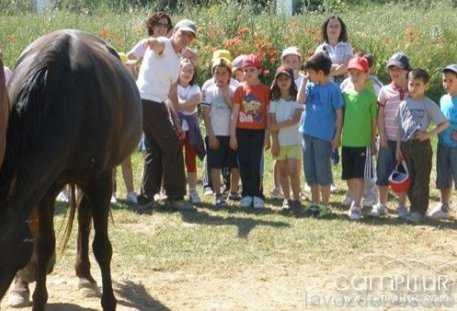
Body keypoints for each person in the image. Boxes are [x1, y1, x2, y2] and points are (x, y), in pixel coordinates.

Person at [136, 19, 198, 212]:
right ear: (174, 32)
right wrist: (150, 42)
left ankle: (146, 199)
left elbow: (172, 94)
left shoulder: (177, 59)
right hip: (148, 101)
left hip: (154, 104)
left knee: (155, 149)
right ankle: (175, 197)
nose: (186, 38)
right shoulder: (164, 44)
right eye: (183, 33)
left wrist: (177, 121)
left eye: (190, 36)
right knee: (172, 146)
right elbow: (158, 45)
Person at [395, 69, 448, 223]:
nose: (413, 88)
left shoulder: (428, 104)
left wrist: (428, 135)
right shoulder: (404, 104)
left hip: (421, 147)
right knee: (409, 179)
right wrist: (398, 148)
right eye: (411, 84)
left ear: (426, 85)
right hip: (406, 145)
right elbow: (399, 127)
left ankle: (419, 211)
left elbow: (444, 123)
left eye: (418, 84)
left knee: (421, 179)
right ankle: (414, 208)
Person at [297, 52, 343, 217]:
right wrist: (303, 82)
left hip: (323, 137)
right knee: (310, 170)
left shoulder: (333, 90)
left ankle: (325, 204)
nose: (307, 75)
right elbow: (300, 100)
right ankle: (315, 203)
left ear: (321, 73)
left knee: (323, 170)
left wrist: (337, 135)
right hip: (306, 134)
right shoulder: (310, 86)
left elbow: (339, 113)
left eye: (310, 72)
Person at [371, 52, 410, 218]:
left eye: (399, 69)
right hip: (387, 139)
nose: (395, 72)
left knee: (402, 173)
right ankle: (381, 204)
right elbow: (380, 115)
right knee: (383, 172)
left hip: (405, 141)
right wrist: (382, 136)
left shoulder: (412, 90)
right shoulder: (385, 91)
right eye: (392, 69)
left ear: (407, 71)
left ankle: (402, 206)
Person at [340, 51, 381, 208]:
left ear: (366, 73)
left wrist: (372, 141)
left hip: (363, 142)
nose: (354, 75)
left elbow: (374, 120)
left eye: (358, 72)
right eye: (352, 72)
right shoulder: (344, 93)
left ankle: (361, 202)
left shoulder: (371, 94)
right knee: (349, 174)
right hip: (347, 141)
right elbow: (340, 116)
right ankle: (354, 195)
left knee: (361, 174)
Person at [230, 54, 270, 209]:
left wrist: (267, 135)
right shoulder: (240, 90)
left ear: (259, 71)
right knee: (244, 162)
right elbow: (235, 113)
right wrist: (233, 135)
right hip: (242, 131)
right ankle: (246, 193)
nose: (248, 73)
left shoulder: (265, 90)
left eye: (251, 70)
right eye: (245, 70)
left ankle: (258, 194)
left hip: (258, 132)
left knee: (256, 162)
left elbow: (267, 114)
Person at [201, 49, 241, 197]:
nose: (220, 76)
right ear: (213, 73)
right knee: (215, 166)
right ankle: (217, 194)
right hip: (216, 134)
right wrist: (210, 135)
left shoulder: (235, 89)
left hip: (231, 134)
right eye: (217, 73)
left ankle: (234, 192)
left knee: (234, 166)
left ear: (229, 74)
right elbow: (205, 115)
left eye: (224, 73)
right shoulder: (209, 90)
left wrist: (227, 99)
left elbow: (236, 111)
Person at [270, 46, 304, 200]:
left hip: (295, 141)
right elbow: (271, 122)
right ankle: (286, 198)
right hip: (280, 142)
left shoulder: (297, 98)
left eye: (286, 79)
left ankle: (296, 197)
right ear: (276, 81)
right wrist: (274, 141)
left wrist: (278, 126)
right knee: (282, 172)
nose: (283, 82)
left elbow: (296, 119)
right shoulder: (274, 100)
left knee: (293, 171)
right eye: (280, 79)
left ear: (292, 81)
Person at [429, 64, 457, 219]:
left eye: (450, 80)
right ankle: (444, 205)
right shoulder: (443, 99)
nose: (446, 84)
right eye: (444, 80)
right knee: (443, 176)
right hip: (443, 145)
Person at [177, 58, 205, 205]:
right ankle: (166, 189)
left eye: (191, 70)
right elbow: (180, 104)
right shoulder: (173, 87)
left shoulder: (195, 88)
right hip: (177, 127)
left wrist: (182, 105)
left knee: (191, 159)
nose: (188, 73)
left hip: (191, 129)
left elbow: (193, 101)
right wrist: (187, 104)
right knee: (174, 158)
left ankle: (193, 190)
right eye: (185, 70)